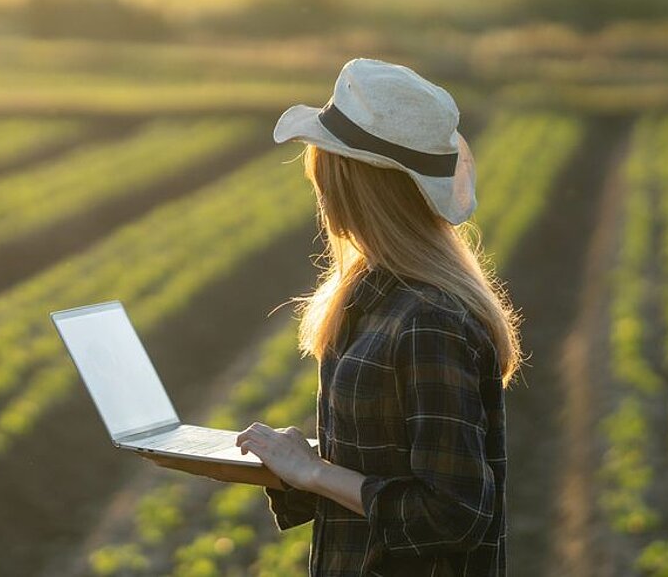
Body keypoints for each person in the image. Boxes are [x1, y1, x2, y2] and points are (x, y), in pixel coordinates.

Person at [142, 57, 523, 576]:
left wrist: (315, 471)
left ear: (350, 184)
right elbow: (391, 462)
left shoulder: (427, 321)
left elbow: (453, 514)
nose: (317, 189)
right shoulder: (373, 294)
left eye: (323, 170)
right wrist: (289, 465)